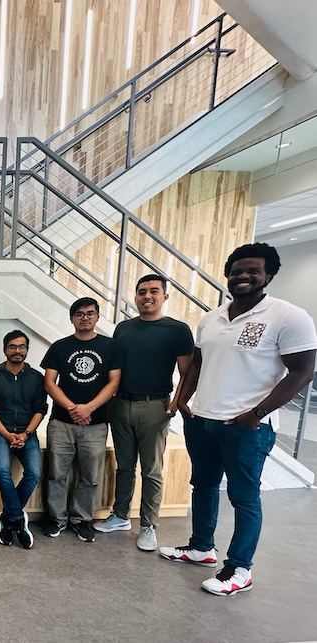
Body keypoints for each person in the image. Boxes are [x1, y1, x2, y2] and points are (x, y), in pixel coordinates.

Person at [161, 243, 316, 596]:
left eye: (252, 271)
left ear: (269, 276)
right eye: (236, 271)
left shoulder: (288, 316)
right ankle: (201, 548)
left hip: (246, 427)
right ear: (228, 275)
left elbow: (303, 372)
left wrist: (257, 413)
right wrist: (182, 402)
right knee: (202, 486)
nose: (243, 276)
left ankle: (240, 569)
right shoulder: (211, 318)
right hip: (202, 419)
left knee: (244, 498)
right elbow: (197, 364)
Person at [93, 275, 194, 552]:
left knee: (152, 470)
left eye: (153, 291)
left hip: (154, 406)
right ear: (135, 297)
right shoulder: (124, 328)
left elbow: (188, 372)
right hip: (121, 404)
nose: (146, 296)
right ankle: (120, 515)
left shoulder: (177, 330)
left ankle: (149, 525)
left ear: (164, 296)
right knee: (124, 466)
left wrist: (176, 403)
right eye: (141, 292)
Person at [40, 297, 122, 543]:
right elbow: (49, 383)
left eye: (89, 313)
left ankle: (82, 519)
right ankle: (56, 519)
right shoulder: (59, 347)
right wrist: (72, 408)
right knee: (56, 473)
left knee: (90, 476)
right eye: (79, 314)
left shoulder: (111, 347)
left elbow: (114, 383)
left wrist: (89, 408)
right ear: (71, 318)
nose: (84, 317)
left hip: (96, 424)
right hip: (61, 423)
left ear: (97, 317)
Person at [0, 330, 48, 549]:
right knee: (2, 471)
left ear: (27, 350)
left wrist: (26, 434)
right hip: (0, 433)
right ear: (5, 350)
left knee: (35, 473)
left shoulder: (37, 378)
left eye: (21, 347)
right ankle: (18, 521)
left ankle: (8, 518)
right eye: (13, 346)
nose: (17, 350)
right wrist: (7, 434)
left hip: (27, 434)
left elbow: (40, 409)